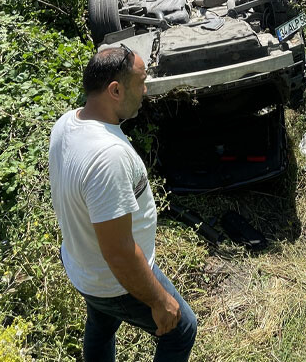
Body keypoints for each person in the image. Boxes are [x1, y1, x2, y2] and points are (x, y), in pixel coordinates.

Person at [49, 45, 197, 362]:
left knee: (101, 326)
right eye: (140, 82)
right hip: (112, 281)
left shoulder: (66, 123)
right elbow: (118, 251)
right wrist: (159, 301)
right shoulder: (108, 156)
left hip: (82, 266)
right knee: (182, 329)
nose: (145, 91)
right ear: (115, 90)